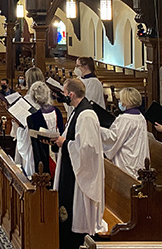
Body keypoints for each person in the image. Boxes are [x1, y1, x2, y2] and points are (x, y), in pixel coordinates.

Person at [51, 79, 107, 249]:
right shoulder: (77, 111)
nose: (63, 95)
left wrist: (65, 143)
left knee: (74, 215)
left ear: (71, 94)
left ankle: (75, 243)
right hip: (71, 169)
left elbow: (88, 149)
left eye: (64, 92)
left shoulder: (86, 115)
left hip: (79, 176)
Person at [99, 87, 149, 177]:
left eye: (121, 99)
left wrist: (97, 129)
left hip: (126, 160)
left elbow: (113, 138)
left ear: (126, 101)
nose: (120, 102)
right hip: (137, 155)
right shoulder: (140, 117)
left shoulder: (125, 119)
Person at [24, 82, 64, 179]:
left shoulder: (32, 118)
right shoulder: (57, 111)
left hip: (42, 158)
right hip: (59, 152)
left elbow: (34, 146)